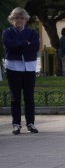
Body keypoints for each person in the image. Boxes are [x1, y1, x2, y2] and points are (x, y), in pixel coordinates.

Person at [2, 7, 40, 135]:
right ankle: (16, 124)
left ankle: (30, 123)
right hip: (13, 67)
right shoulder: (7, 32)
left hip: (29, 67)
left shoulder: (32, 32)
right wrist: (25, 43)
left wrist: (19, 44)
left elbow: (35, 47)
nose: (19, 20)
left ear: (25, 19)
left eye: (21, 18)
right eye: (16, 18)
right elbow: (9, 46)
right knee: (15, 97)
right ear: (12, 19)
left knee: (29, 97)